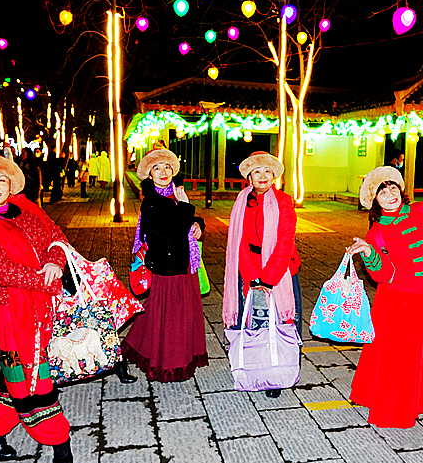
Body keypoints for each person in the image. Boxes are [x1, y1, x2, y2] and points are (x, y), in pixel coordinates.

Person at [0, 154, 73, 463]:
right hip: (13, 312)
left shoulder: (29, 209)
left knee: (13, 371)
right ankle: (59, 441)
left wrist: (55, 261)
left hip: (46, 305)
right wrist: (47, 280)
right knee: (31, 377)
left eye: (1, 180)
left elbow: (56, 236)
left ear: (12, 185)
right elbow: (1, 271)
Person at [346, 166, 423, 428]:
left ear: (401, 189)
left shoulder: (422, 210)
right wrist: (369, 253)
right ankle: (394, 407)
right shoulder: (376, 232)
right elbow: (384, 275)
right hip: (398, 298)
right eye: (382, 192)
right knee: (397, 355)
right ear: (375, 201)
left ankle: (420, 400)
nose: (390, 194)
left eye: (393, 188)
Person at [120, 148, 207, 382]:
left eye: (167, 167)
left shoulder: (174, 195)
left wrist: (198, 224)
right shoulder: (151, 202)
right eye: (156, 168)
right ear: (149, 175)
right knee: (168, 316)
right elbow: (173, 231)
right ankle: (168, 363)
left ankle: (133, 351)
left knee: (178, 314)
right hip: (167, 266)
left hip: (184, 264)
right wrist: (187, 207)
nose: (163, 172)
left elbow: (185, 222)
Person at [223, 151, 302, 399]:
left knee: (280, 322)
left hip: (280, 270)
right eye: (257, 171)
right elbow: (239, 242)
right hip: (250, 269)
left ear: (274, 175)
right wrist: (252, 277)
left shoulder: (283, 201)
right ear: (249, 176)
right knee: (254, 321)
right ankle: (255, 366)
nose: (263, 176)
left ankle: (279, 371)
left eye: (268, 171)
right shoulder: (242, 201)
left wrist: (268, 279)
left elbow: (285, 241)